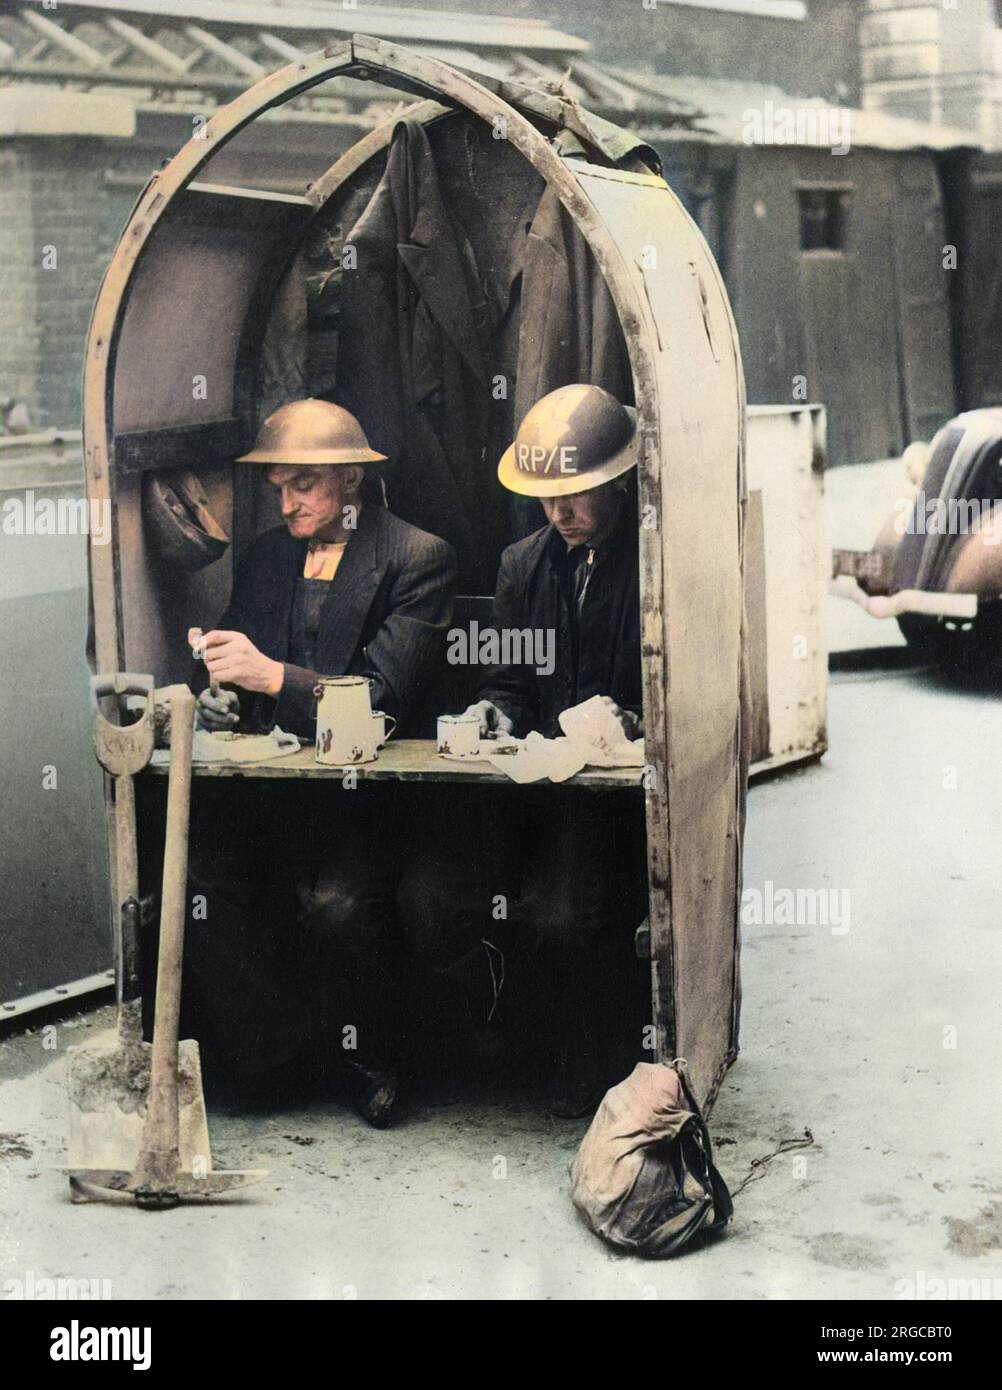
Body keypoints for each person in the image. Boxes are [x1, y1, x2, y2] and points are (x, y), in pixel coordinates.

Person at [187, 398, 456, 1126]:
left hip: (365, 801)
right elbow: (243, 679)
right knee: (204, 881)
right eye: (280, 486)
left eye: (305, 484)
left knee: (336, 906)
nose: (289, 501)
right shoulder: (270, 555)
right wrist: (225, 699)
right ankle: (279, 1059)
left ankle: (363, 1058)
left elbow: (381, 702)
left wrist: (271, 677)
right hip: (274, 792)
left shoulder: (415, 558)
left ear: (351, 486)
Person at [399, 384, 649, 1118]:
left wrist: (625, 721)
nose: (558, 514)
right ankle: (494, 1041)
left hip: (611, 804)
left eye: (574, 497)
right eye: (546, 500)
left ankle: (583, 1062)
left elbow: (670, 689)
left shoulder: (652, 560)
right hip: (528, 790)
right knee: (430, 894)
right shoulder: (522, 566)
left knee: (559, 915)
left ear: (616, 480)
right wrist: (490, 708)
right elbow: (508, 675)